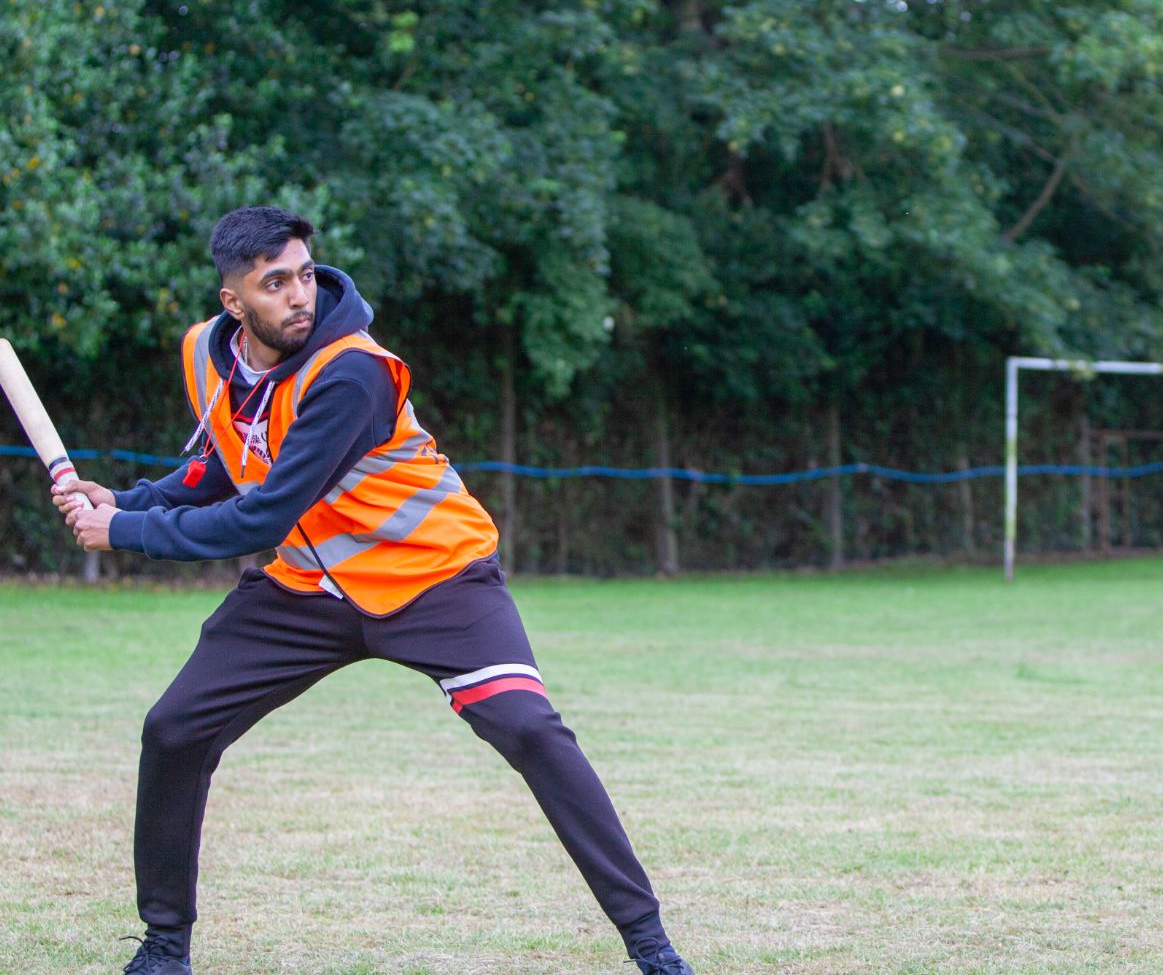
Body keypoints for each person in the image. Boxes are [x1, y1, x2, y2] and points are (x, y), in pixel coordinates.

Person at [51, 205, 695, 975]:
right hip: (307, 589)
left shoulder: (351, 369)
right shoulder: (206, 355)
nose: (300, 295)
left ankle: (652, 948)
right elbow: (230, 464)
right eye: (275, 282)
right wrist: (131, 500)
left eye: (304, 275)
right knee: (174, 730)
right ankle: (163, 949)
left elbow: (260, 513)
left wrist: (123, 533)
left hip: (433, 579)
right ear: (233, 303)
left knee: (531, 731)